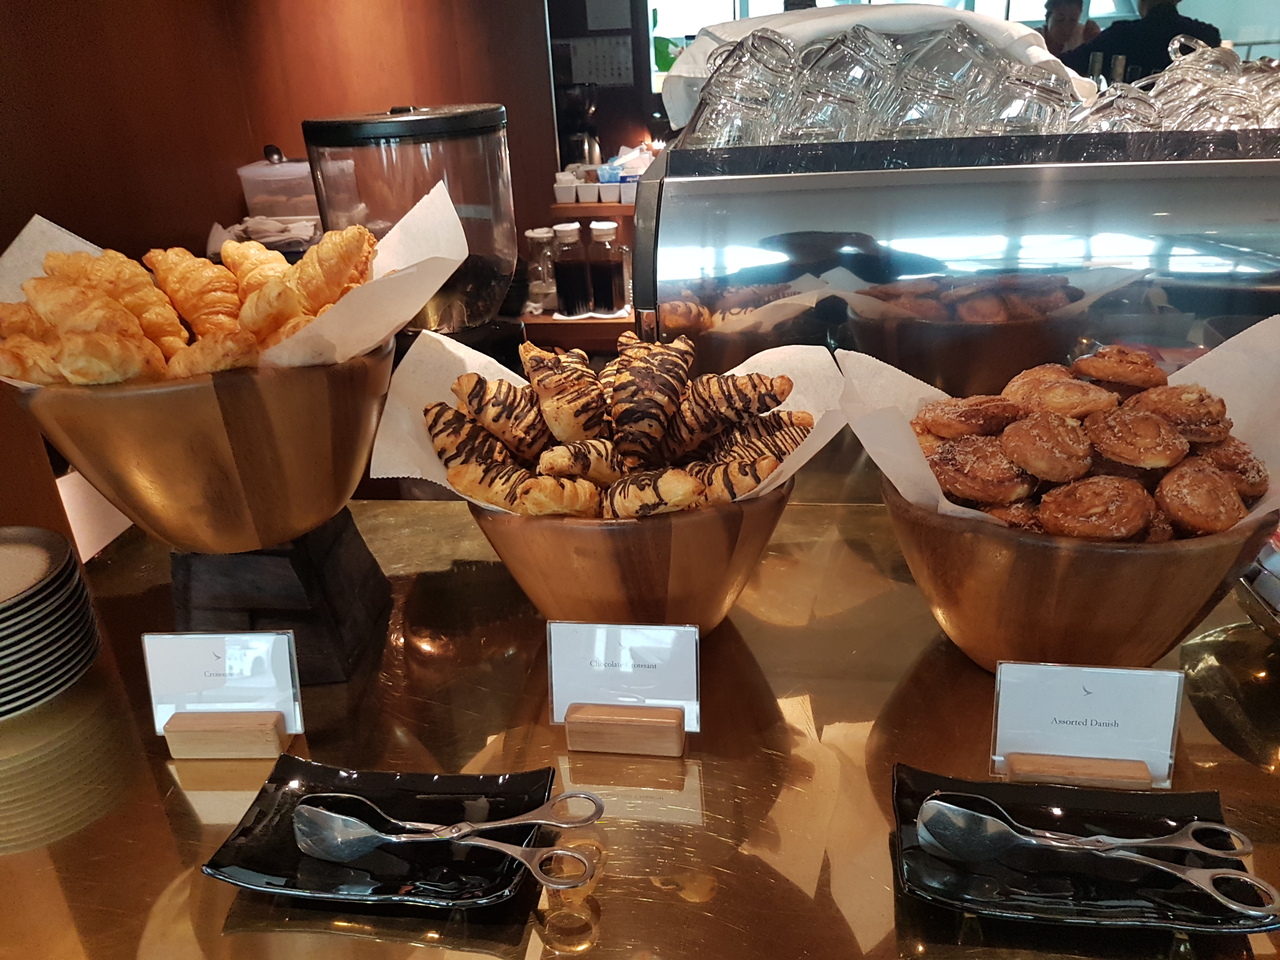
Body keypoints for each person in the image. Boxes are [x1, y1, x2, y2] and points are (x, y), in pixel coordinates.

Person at [1060, 0, 1221, 81]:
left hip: (1127, 120)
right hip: (1183, 123)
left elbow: (1067, 64)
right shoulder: (1206, 35)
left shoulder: (1121, 34)